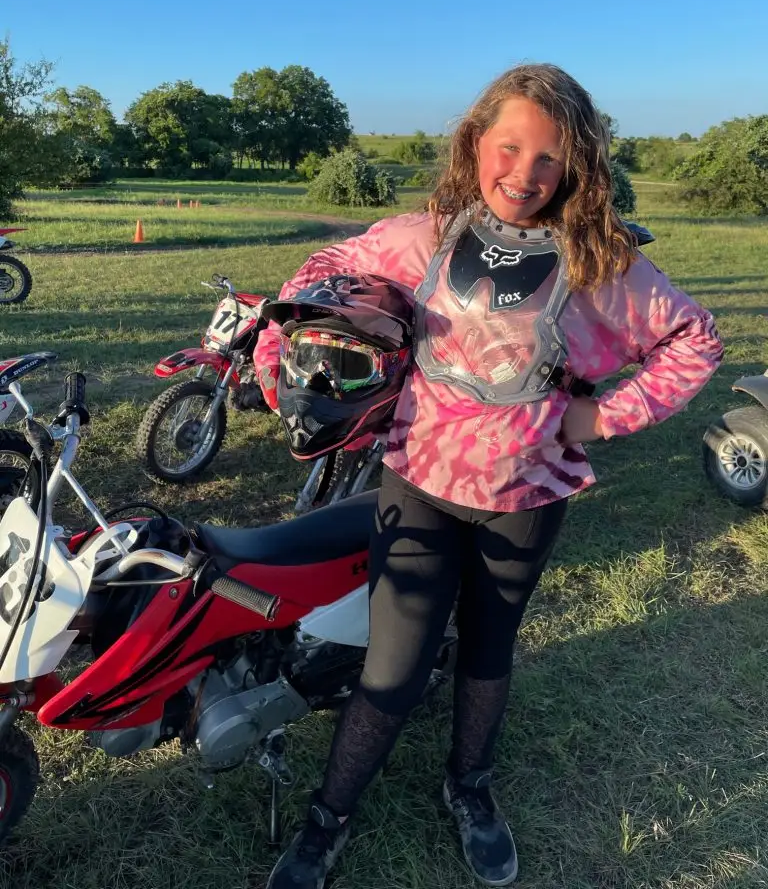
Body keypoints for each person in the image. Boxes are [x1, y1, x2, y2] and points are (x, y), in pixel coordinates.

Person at [256, 63, 724, 888]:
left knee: (486, 653)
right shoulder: (424, 238)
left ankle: (469, 788)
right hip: (418, 486)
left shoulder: (598, 262)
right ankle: (328, 820)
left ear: (576, 166)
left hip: (527, 496)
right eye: (507, 148)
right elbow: (314, 280)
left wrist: (600, 416)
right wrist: (279, 365)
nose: (524, 174)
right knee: (391, 671)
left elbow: (695, 338)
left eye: (549, 158)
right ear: (476, 143)